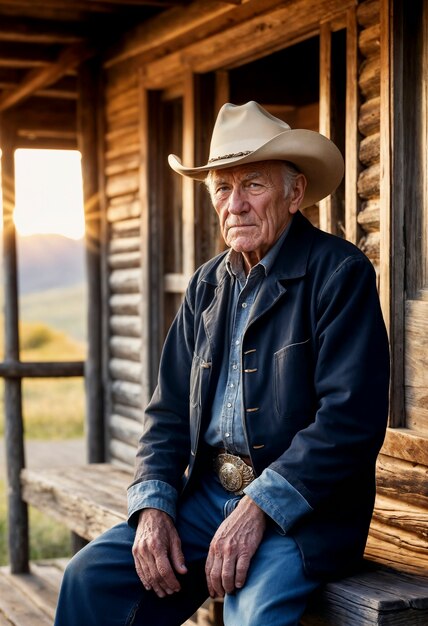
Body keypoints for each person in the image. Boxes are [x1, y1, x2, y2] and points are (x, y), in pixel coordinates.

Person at [55, 101, 390, 626]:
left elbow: (351, 420)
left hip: (303, 512)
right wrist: (154, 507)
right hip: (207, 497)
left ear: (294, 193)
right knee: (90, 580)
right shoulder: (206, 285)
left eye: (252, 185)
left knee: (251, 615)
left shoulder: (339, 273)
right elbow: (165, 412)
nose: (235, 205)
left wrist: (259, 507)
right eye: (222, 188)